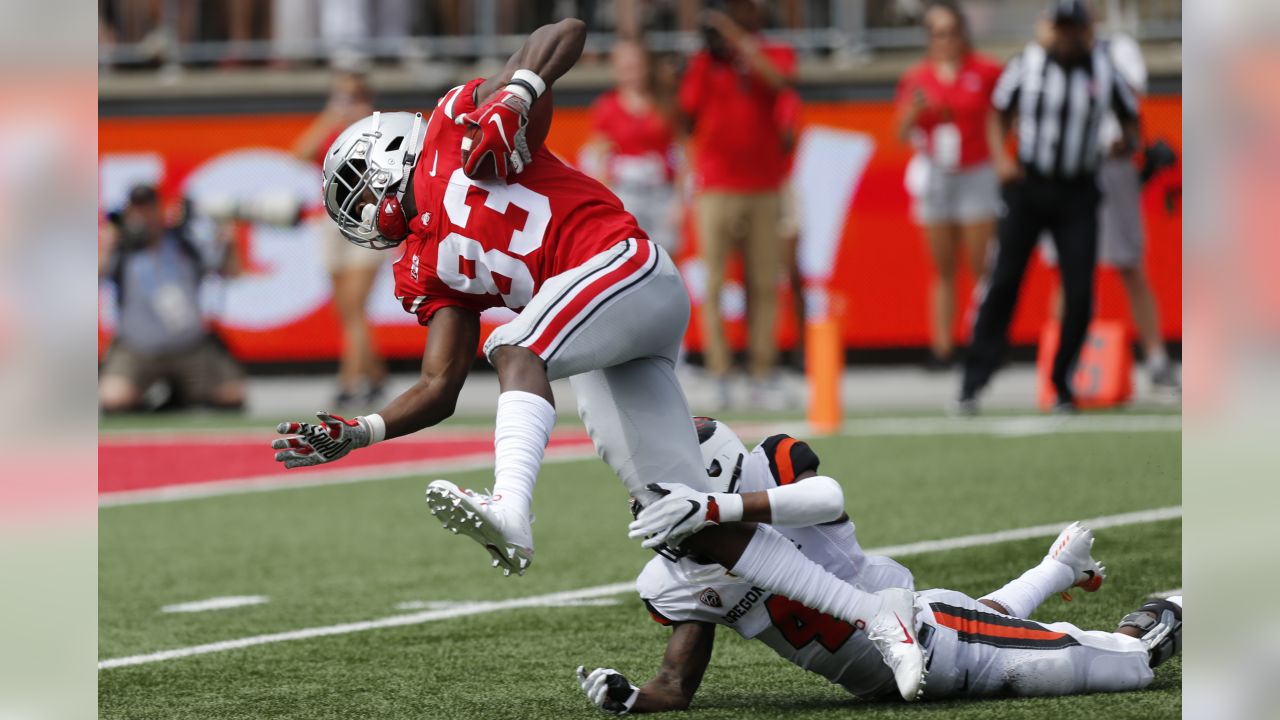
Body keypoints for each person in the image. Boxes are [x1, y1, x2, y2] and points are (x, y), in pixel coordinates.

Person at [269, 19, 930, 700]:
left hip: (624, 267)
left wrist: (519, 93)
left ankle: (512, 510)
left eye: (358, 185)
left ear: (387, 152)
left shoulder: (452, 125)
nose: (361, 210)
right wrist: (360, 432)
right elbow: (440, 386)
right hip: (602, 333)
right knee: (688, 524)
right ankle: (874, 612)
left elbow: (564, 30)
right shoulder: (420, 267)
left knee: (518, 345)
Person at [576, 418, 1181, 713]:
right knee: (992, 631)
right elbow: (675, 685)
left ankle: (1169, 610)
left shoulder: (772, 474)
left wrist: (719, 508)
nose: (653, 513)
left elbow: (827, 497)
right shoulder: (675, 577)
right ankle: (1058, 567)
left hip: (933, 635)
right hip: (890, 668)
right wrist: (634, 700)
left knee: (1128, 668)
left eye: (669, 499)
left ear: (715, 484)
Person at [959, 0, 1139, 414]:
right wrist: (1002, 159)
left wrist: (1123, 144)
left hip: (1078, 191)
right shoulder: (1028, 64)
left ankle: (1062, 383)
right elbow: (997, 114)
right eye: (1062, 27)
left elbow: (1130, 120)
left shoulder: (1105, 69)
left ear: (1086, 30)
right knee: (1004, 281)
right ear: (1051, 29)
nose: (1068, 36)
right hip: (1029, 187)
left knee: (1078, 292)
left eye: (1074, 27)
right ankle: (973, 380)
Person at [1042, 28, 1180, 394]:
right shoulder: (1045, 52)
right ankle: (1061, 363)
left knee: (1130, 263)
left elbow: (1128, 96)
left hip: (1110, 163)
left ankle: (1156, 359)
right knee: (1067, 271)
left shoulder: (1116, 48)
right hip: (1067, 168)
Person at [679, 0, 796, 408]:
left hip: (764, 184)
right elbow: (688, 110)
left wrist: (738, 42)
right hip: (716, 185)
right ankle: (721, 370)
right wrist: (712, 56)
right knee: (713, 283)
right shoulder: (705, 61)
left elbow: (779, 82)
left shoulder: (772, 50)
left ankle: (763, 370)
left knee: (764, 282)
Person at [896, 1, 1004, 370]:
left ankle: (984, 343)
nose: (945, 41)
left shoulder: (986, 71)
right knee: (942, 269)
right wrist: (914, 111)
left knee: (982, 267)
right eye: (937, 34)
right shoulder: (916, 77)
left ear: (963, 34)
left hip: (975, 171)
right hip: (937, 173)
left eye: (951, 32)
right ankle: (942, 348)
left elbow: (1003, 117)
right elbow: (900, 131)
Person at [99, 185, 245, 412]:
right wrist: (107, 244)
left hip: (190, 346)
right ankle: (155, 403)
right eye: (137, 212)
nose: (143, 218)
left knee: (232, 395)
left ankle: (180, 394)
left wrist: (228, 243)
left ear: (159, 210)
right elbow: (97, 277)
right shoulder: (122, 250)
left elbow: (230, 272)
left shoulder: (185, 244)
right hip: (138, 348)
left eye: (148, 210)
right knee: (114, 398)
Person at [292, 66, 388, 407]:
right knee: (345, 310)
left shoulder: (378, 131)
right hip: (332, 222)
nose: (348, 104)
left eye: (355, 97)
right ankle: (375, 374)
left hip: (367, 219)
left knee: (355, 306)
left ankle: (349, 381)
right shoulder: (333, 131)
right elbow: (300, 153)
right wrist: (330, 117)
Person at [583, 37, 681, 254]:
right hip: (625, 194)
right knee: (630, 256)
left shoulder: (665, 105)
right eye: (626, 67)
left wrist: (680, 199)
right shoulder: (607, 107)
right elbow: (596, 157)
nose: (632, 73)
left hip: (661, 195)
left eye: (636, 66)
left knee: (666, 257)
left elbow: (682, 153)